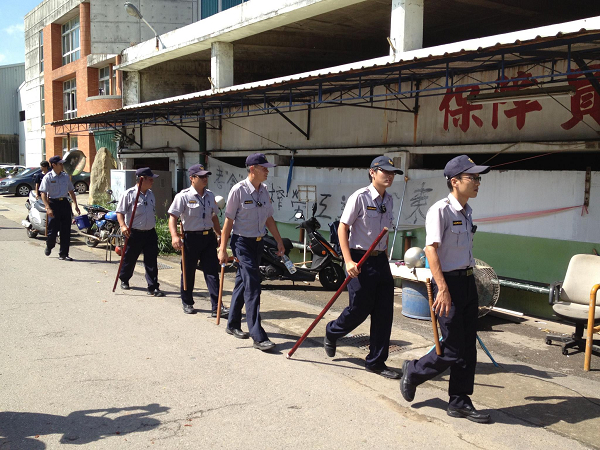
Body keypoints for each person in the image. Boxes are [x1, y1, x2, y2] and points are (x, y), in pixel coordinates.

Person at [399, 155, 491, 424]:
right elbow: (431, 250)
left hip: (467, 282)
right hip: (447, 284)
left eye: (478, 178)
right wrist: (443, 289)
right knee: (451, 348)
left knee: (467, 348)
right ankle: (414, 371)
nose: (477, 182)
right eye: (472, 177)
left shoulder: (467, 210)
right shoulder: (440, 210)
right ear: (454, 181)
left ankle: (460, 401)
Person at [323, 156, 403, 379]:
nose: (389, 176)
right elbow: (343, 228)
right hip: (359, 258)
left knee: (384, 313)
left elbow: (384, 235)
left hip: (380, 261)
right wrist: (347, 261)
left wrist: (385, 260)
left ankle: (376, 362)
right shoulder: (360, 197)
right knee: (359, 309)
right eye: (384, 171)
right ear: (372, 172)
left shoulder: (390, 200)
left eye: (393, 173)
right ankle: (332, 331)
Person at [218, 153, 285, 352]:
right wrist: (223, 248)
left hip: (258, 242)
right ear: (252, 169)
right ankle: (258, 335)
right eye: (264, 168)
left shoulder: (264, 191)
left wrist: (279, 240)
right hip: (242, 243)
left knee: (242, 281)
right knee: (253, 285)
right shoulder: (238, 191)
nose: (267, 171)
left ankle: (232, 324)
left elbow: (269, 218)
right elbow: (228, 222)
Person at [168, 164, 229, 317]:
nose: (205, 179)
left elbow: (214, 216)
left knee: (212, 273)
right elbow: (173, 217)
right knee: (188, 271)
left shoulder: (210, 195)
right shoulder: (183, 196)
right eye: (201, 176)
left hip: (208, 238)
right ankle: (187, 302)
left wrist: (219, 233)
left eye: (206, 176)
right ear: (192, 178)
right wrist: (174, 236)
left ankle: (217, 306)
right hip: (191, 238)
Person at [116, 167, 165, 297]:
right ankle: (124, 278)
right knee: (130, 259)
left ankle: (153, 286)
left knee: (151, 260)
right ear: (141, 180)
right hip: (134, 232)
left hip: (150, 232)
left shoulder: (150, 194)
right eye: (150, 179)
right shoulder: (129, 194)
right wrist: (123, 226)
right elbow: (120, 212)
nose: (152, 182)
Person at [39, 155, 81, 261]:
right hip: (53, 204)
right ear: (54, 165)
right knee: (53, 230)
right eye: (60, 164)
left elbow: (71, 191)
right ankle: (50, 245)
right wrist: (47, 207)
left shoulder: (65, 176)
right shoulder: (48, 177)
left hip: (65, 204)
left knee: (66, 230)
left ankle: (63, 254)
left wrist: (76, 205)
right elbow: (43, 193)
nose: (62, 165)